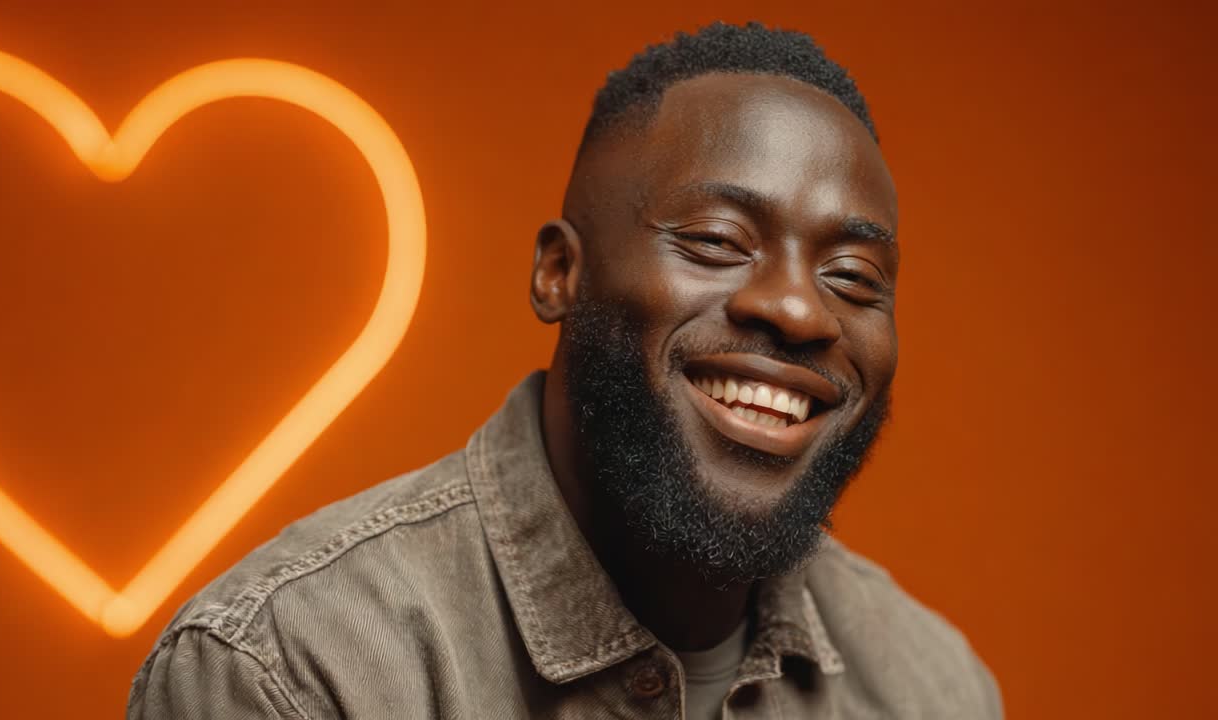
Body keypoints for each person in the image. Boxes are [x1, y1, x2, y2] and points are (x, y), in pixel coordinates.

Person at [128, 22, 1001, 719]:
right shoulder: (290, 669)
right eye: (717, 241)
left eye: (852, 277)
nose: (801, 311)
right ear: (559, 274)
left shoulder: (935, 689)